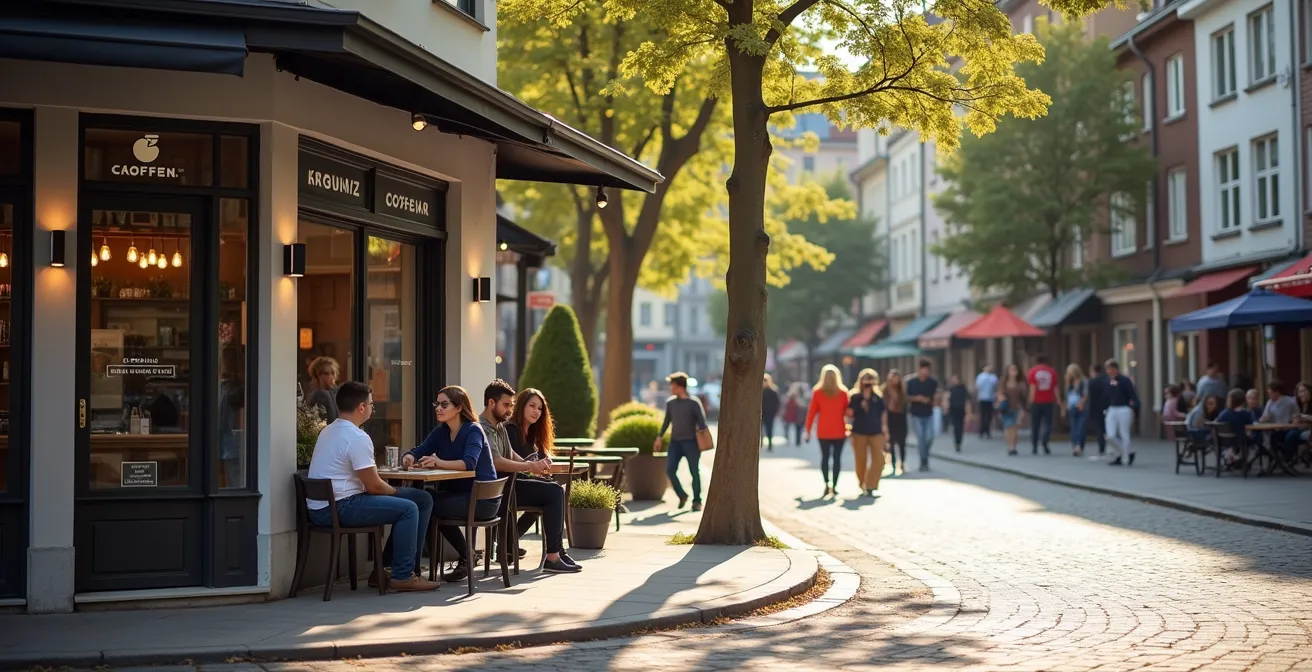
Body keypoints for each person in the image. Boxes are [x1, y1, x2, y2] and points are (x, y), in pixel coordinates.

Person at [308, 381, 439, 592]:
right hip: (341, 507)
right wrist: (395, 491)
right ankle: (403, 576)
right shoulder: (357, 437)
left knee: (423, 499)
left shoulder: (328, 431)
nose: (372, 408)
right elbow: (374, 487)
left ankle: (384, 570)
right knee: (409, 507)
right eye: (371, 404)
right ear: (361, 407)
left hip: (321, 508)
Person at [474, 381, 580, 574]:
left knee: (554, 491)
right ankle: (552, 555)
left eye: (539, 408)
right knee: (554, 492)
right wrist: (530, 466)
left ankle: (555, 552)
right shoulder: (492, 428)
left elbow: (512, 455)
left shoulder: (499, 427)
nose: (509, 410)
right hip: (500, 489)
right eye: (507, 405)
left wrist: (533, 466)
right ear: (491, 403)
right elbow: (498, 461)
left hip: (509, 484)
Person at [401, 385, 499, 581]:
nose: (438, 408)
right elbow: (420, 449)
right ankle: (462, 555)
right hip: (458, 495)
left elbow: (469, 463)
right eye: (437, 404)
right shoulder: (441, 431)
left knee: (424, 504)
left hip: (482, 500)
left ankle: (417, 567)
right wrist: (409, 457)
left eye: (444, 404)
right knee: (424, 503)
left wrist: (438, 462)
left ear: (459, 408)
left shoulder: (473, 430)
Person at [657, 372, 709, 511]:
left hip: (691, 442)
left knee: (694, 472)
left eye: (672, 385)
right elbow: (666, 422)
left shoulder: (694, 403)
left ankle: (697, 501)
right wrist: (659, 437)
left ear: (680, 386)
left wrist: (702, 433)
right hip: (675, 443)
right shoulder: (671, 403)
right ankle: (682, 495)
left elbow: (702, 423)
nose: (670, 388)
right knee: (670, 470)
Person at [805, 364, 850, 497]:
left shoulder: (818, 392)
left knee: (825, 457)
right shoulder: (843, 393)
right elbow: (847, 412)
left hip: (823, 431)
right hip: (839, 431)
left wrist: (807, 430)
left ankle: (826, 484)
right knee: (837, 458)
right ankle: (834, 486)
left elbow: (811, 413)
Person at [846, 368, 887, 497]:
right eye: (866, 379)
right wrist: (859, 406)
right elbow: (849, 413)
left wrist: (885, 428)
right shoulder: (855, 396)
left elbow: (883, 413)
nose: (868, 382)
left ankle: (871, 484)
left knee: (879, 459)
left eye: (871, 379)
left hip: (876, 431)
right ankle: (862, 483)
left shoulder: (878, 397)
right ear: (861, 381)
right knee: (860, 459)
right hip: (859, 431)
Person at [1102, 359, 1140, 466]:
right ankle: (1125, 453)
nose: (1108, 372)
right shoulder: (1107, 381)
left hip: (1124, 408)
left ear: (1115, 369)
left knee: (1124, 433)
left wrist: (1135, 406)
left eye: (1109, 369)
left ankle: (1125, 458)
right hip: (1112, 408)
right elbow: (1106, 395)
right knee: (1110, 435)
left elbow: (1132, 394)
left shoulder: (1124, 380)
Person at [905, 358, 939, 472]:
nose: (925, 372)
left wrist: (936, 401)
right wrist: (918, 398)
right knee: (921, 438)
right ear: (919, 369)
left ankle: (925, 456)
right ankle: (923, 462)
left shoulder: (932, 382)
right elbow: (906, 397)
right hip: (916, 414)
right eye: (923, 369)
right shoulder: (911, 382)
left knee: (930, 436)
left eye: (927, 370)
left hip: (929, 413)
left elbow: (937, 395)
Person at [1026, 355, 1058, 455]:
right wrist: (1058, 400)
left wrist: (1030, 401)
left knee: (1035, 425)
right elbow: (1055, 388)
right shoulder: (1052, 372)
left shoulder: (1032, 372)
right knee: (1048, 423)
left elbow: (1032, 387)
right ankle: (1045, 440)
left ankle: (1034, 446)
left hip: (1036, 401)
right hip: (1048, 401)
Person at [1216, 388, 1256, 468]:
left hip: (1224, 440)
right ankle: (1241, 458)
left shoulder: (1225, 413)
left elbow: (1216, 422)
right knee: (1253, 438)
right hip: (1242, 440)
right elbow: (1252, 424)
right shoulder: (1246, 413)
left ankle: (1230, 456)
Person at [883, 369, 909, 476]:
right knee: (891, 443)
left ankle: (902, 463)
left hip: (901, 418)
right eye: (893, 378)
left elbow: (905, 403)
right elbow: (883, 405)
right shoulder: (885, 390)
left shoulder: (902, 390)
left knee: (902, 443)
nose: (895, 380)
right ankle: (893, 465)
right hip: (890, 418)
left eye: (897, 378)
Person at [998, 364, 1027, 456]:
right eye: (1012, 370)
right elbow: (999, 393)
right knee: (1008, 427)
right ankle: (1010, 445)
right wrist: (1001, 398)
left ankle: (1013, 447)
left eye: (1015, 369)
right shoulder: (1003, 382)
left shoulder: (1020, 383)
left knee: (1014, 428)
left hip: (1017, 408)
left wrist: (1024, 409)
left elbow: (1024, 397)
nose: (1014, 371)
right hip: (1006, 408)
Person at [304, 356, 341, 421]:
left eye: (332, 373)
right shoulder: (319, 394)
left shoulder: (337, 393)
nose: (330, 376)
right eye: (326, 373)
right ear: (317, 376)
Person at [1282, 382, 1311, 461]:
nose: (1301, 394)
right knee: (1277, 434)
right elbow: (1293, 418)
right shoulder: (1298, 404)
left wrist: (1304, 417)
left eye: (1304, 391)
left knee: (1291, 435)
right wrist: (1295, 419)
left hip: (1308, 429)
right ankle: (1278, 459)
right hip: (1298, 428)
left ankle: (1288, 459)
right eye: (1299, 392)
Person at [1064, 364, 1088, 457]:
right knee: (1074, 427)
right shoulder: (1069, 382)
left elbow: (1086, 394)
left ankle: (1080, 446)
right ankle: (1075, 446)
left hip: (1081, 405)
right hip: (1072, 406)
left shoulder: (1084, 381)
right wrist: (1067, 405)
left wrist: (1082, 403)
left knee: (1081, 426)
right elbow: (1067, 394)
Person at [1086, 363, 1108, 455]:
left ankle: (1102, 447)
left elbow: (1088, 396)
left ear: (1093, 371)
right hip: (1107, 406)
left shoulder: (1091, 382)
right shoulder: (1107, 380)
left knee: (1100, 428)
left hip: (1096, 407)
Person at [944, 374, 968, 453]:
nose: (954, 381)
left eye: (956, 379)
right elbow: (947, 398)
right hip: (953, 409)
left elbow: (967, 400)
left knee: (960, 426)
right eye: (953, 379)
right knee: (955, 426)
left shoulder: (963, 389)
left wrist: (969, 411)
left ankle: (959, 442)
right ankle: (957, 443)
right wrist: (946, 407)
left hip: (961, 409)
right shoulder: (951, 389)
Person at [975, 365, 999, 439]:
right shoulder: (981, 376)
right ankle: (982, 430)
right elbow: (978, 386)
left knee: (989, 415)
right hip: (982, 398)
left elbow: (996, 386)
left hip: (990, 398)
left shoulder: (993, 377)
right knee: (982, 415)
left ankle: (987, 430)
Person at [761, 374, 782, 451]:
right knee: (760, 430)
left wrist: (775, 412)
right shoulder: (759, 391)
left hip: (770, 414)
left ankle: (770, 444)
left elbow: (777, 403)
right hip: (760, 413)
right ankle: (760, 443)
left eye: (765, 381)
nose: (764, 383)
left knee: (769, 429)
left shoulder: (773, 391)